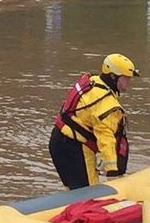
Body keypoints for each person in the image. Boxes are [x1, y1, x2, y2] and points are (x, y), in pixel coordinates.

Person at [49, 53, 139, 190]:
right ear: (113, 76)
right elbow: (106, 138)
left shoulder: (94, 81)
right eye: (125, 78)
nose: (128, 81)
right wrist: (112, 171)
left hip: (57, 141)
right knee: (89, 194)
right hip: (75, 148)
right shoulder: (107, 104)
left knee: (73, 189)